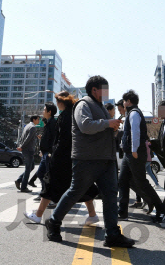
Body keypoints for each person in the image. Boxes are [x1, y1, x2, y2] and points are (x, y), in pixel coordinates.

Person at [45, 76, 135, 248]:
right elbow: (85, 125)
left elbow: (101, 128)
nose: (106, 93)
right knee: (75, 192)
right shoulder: (83, 104)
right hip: (86, 158)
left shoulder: (100, 107)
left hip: (105, 159)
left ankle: (112, 234)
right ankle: (54, 221)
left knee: (110, 195)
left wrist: (112, 128)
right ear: (94, 90)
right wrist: (108, 123)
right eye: (104, 89)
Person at [25, 92, 99, 225]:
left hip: (62, 157)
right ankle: (92, 215)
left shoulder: (64, 116)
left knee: (50, 184)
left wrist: (54, 154)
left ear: (60, 102)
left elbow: (62, 140)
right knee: (82, 186)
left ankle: (38, 215)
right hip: (74, 156)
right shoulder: (73, 112)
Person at [117, 90, 165, 223]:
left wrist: (134, 150)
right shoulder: (131, 113)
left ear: (128, 101)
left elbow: (135, 131)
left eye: (124, 101)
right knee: (123, 181)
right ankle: (122, 212)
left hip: (134, 153)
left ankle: (162, 208)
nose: (123, 103)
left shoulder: (134, 113)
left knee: (141, 181)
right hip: (129, 153)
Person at [32, 103, 57, 199]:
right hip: (45, 153)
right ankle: (44, 192)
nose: (43, 111)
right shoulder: (48, 123)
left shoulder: (53, 123)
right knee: (40, 173)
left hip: (49, 153)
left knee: (48, 176)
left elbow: (54, 139)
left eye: (44, 109)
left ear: (49, 112)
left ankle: (49, 196)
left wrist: (51, 152)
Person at [15, 115, 40, 193]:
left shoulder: (27, 126)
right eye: (38, 119)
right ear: (34, 119)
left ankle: (19, 180)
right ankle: (24, 187)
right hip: (28, 150)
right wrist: (21, 146)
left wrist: (20, 145)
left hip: (26, 149)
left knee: (31, 166)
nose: (39, 121)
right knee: (28, 168)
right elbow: (27, 138)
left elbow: (22, 137)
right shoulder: (32, 127)